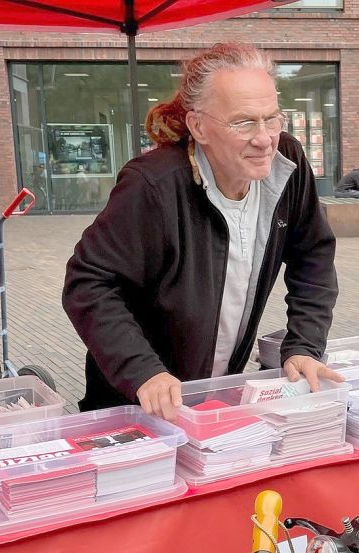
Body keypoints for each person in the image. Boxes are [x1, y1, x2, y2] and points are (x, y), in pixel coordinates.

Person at [63, 43, 341, 422]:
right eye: (244, 122)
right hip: (136, 403)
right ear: (198, 126)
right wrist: (144, 371)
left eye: (272, 118)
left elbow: (313, 253)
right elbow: (88, 281)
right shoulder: (153, 185)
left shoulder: (286, 163)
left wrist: (304, 346)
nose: (263, 139)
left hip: (216, 398)